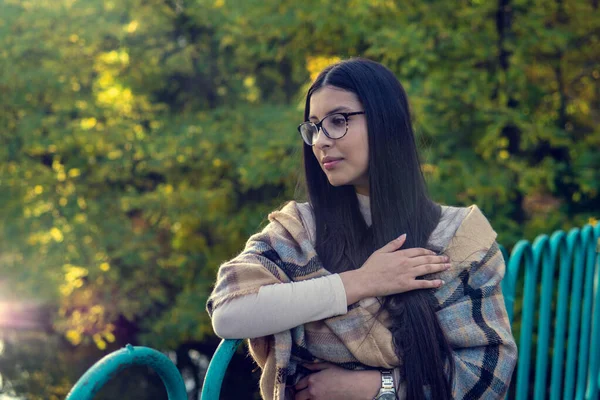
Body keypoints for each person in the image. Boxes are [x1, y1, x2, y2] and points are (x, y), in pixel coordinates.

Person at [206, 58, 517, 400]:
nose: (320, 141)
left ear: (386, 122)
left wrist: (373, 387)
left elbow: (486, 375)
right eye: (313, 127)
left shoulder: (459, 237)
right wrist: (362, 282)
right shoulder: (300, 230)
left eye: (338, 121)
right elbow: (229, 312)